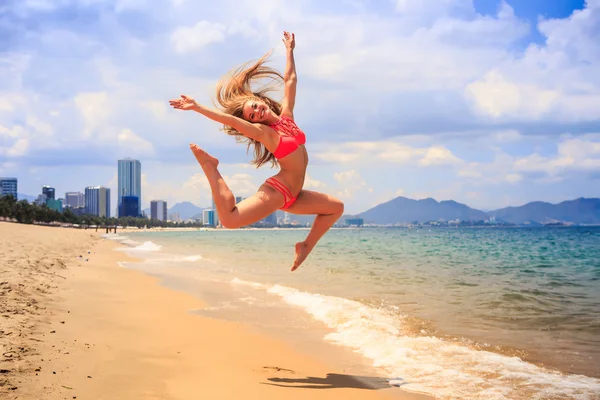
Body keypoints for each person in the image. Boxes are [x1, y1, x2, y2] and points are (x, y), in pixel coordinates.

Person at [169, 31, 344, 271]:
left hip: (295, 195)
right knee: (229, 219)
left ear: (257, 99)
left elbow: (290, 80)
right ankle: (211, 167)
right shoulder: (266, 134)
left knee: (336, 208)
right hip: (279, 191)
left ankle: (305, 246)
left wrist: (290, 51)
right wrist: (198, 107)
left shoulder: (287, 117)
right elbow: (233, 123)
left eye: (254, 107)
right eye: (252, 117)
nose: (256, 113)